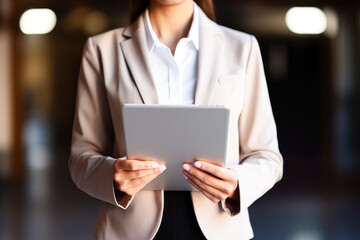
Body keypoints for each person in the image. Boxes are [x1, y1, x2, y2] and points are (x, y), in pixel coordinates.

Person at [69, 0, 283, 239]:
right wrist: (112, 177)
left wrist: (237, 184)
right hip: (129, 229)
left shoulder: (242, 48)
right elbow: (80, 158)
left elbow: (268, 157)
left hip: (220, 225)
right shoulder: (101, 50)